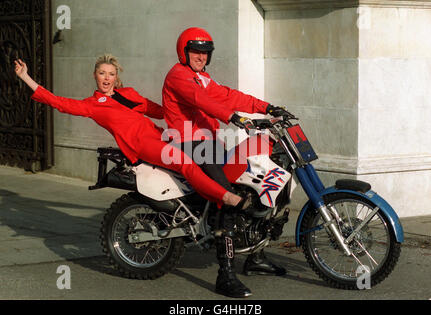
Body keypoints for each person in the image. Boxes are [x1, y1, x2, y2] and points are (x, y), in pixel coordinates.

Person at [13, 54, 245, 208]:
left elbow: (163, 111)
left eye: (111, 74)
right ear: (95, 75)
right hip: (141, 145)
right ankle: (226, 197)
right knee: (185, 162)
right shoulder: (92, 105)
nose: (106, 78)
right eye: (102, 73)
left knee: (205, 150)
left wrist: (197, 104)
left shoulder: (130, 94)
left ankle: (206, 205)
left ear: (117, 77)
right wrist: (26, 77)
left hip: (161, 135)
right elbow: (58, 102)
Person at [162, 27, 289, 298]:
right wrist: (234, 118)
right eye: (195, 51)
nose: (201, 57)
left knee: (256, 182)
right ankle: (225, 275)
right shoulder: (178, 76)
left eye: (205, 52)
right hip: (187, 143)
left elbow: (231, 96)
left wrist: (267, 107)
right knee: (228, 197)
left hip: (210, 143)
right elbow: (202, 101)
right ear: (184, 52)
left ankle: (254, 257)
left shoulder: (203, 77)